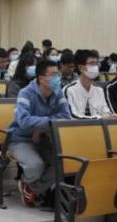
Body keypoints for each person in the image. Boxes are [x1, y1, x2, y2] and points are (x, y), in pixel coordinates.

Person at [7, 59, 71, 207]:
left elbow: (66, 117)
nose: (58, 78)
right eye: (53, 75)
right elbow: (23, 121)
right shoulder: (26, 93)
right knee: (36, 165)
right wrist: (48, 122)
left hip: (43, 138)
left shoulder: (58, 92)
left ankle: (30, 187)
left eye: (58, 74)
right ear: (41, 79)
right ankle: (33, 186)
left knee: (64, 163)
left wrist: (40, 128)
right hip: (20, 139)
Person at [63, 49, 112, 119]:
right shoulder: (69, 90)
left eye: (96, 63)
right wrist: (98, 118)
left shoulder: (99, 90)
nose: (96, 67)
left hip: (99, 125)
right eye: (92, 63)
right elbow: (73, 116)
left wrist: (104, 116)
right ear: (81, 68)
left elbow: (107, 112)